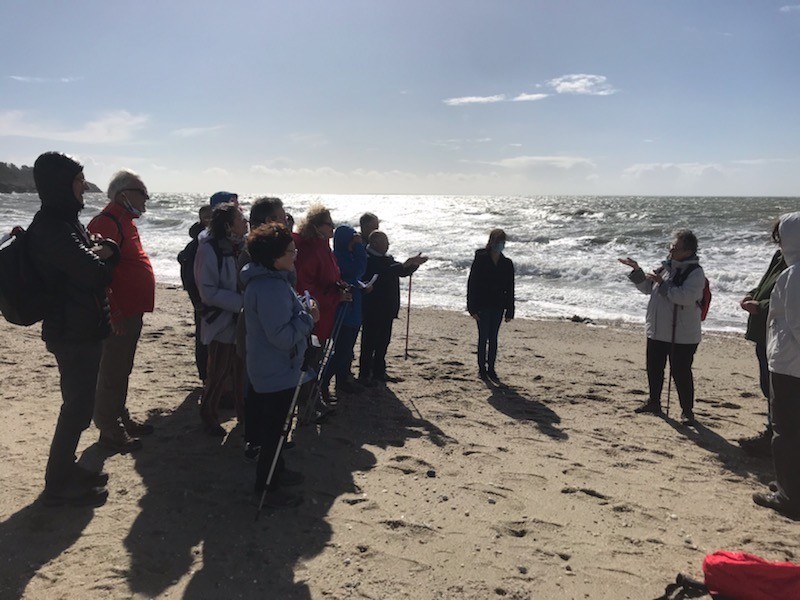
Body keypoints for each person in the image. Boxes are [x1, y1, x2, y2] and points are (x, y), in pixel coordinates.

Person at [27, 152, 120, 507]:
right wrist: (103, 253)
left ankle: (66, 469)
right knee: (77, 407)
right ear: (60, 184)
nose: (84, 186)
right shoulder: (51, 226)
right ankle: (58, 482)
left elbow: (99, 256)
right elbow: (96, 272)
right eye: (79, 180)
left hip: (82, 325)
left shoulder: (65, 222)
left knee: (81, 404)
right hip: (70, 331)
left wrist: (102, 250)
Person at [240, 222, 319, 508]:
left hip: (271, 369)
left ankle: (278, 472)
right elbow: (282, 337)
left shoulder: (271, 282)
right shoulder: (270, 287)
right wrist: (309, 318)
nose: (295, 254)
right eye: (289, 251)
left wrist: (299, 305)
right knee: (275, 432)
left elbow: (276, 320)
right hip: (275, 372)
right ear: (274, 257)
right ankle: (267, 486)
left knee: (276, 428)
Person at [88, 170, 156, 453]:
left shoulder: (124, 219)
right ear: (124, 194)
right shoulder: (107, 221)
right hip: (119, 312)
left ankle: (119, 416)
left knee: (122, 367)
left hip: (130, 309)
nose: (146, 200)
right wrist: (112, 311)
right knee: (113, 370)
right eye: (143, 194)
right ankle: (109, 428)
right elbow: (96, 273)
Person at [619, 230, 705, 426]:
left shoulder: (695, 272)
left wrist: (662, 283)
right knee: (654, 367)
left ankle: (687, 411)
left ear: (688, 251)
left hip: (682, 334)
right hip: (657, 328)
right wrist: (637, 270)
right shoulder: (665, 267)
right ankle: (654, 402)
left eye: (675, 248)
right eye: (671, 247)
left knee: (681, 372)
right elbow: (647, 289)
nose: (671, 250)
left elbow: (685, 297)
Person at [752, 212, 800, 518]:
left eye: (780, 237)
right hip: (790, 364)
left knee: (786, 432)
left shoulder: (794, 275)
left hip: (790, 367)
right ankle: (789, 483)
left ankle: (789, 496)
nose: (778, 243)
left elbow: (796, 324)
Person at [237, 196, 289, 461]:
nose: (285, 220)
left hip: (265, 321)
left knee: (262, 386)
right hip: (258, 326)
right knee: (258, 386)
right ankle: (256, 441)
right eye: (282, 216)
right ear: (269, 220)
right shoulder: (256, 250)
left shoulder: (269, 248)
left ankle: (262, 439)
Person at [195, 203, 247, 436]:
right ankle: (208, 415)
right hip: (222, 320)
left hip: (240, 318)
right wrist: (241, 302)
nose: (245, 222)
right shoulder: (209, 249)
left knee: (241, 371)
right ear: (228, 225)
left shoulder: (241, 246)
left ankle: (243, 416)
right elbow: (208, 291)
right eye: (240, 218)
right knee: (218, 371)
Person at [738, 221, 787, 457]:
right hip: (764, 330)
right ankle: (771, 434)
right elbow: (766, 283)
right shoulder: (780, 255)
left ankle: (776, 437)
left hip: (782, 332)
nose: (777, 239)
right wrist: (752, 294)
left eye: (781, 234)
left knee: (780, 388)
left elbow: (792, 299)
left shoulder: (795, 260)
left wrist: (762, 306)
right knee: (768, 385)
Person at [293, 204, 349, 403]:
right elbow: (305, 289)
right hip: (314, 317)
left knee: (317, 358)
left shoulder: (324, 248)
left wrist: (339, 287)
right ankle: (307, 404)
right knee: (310, 361)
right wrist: (335, 297)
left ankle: (313, 400)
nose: (332, 228)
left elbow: (330, 277)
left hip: (326, 315)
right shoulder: (309, 250)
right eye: (329, 224)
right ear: (317, 226)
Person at [359, 230, 427, 384]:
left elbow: (400, 271)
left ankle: (379, 372)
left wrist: (413, 265)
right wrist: (405, 264)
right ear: (375, 243)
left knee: (383, 341)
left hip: (387, 308)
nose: (388, 245)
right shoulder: (368, 258)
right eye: (385, 242)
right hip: (373, 308)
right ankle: (364, 374)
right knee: (369, 342)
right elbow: (383, 273)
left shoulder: (386, 258)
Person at [467, 229, 515, 382]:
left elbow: (510, 287)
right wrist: (471, 307)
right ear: (491, 242)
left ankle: (491, 368)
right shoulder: (481, 259)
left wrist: (510, 310)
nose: (500, 245)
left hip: (498, 305)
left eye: (502, 242)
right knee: (483, 337)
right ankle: (482, 368)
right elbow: (472, 283)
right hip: (482, 305)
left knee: (493, 337)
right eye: (498, 241)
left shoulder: (507, 263)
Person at [328, 225, 369, 396]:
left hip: (353, 308)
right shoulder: (338, 257)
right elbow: (358, 270)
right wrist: (359, 247)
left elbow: (354, 277)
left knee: (348, 349)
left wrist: (362, 286)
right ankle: (325, 381)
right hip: (343, 311)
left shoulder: (346, 256)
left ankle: (342, 380)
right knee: (342, 350)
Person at [178, 204, 213, 383]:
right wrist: (196, 299)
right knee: (203, 337)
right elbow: (187, 272)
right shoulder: (197, 243)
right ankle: (205, 376)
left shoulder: (207, 240)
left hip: (205, 297)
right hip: (201, 298)